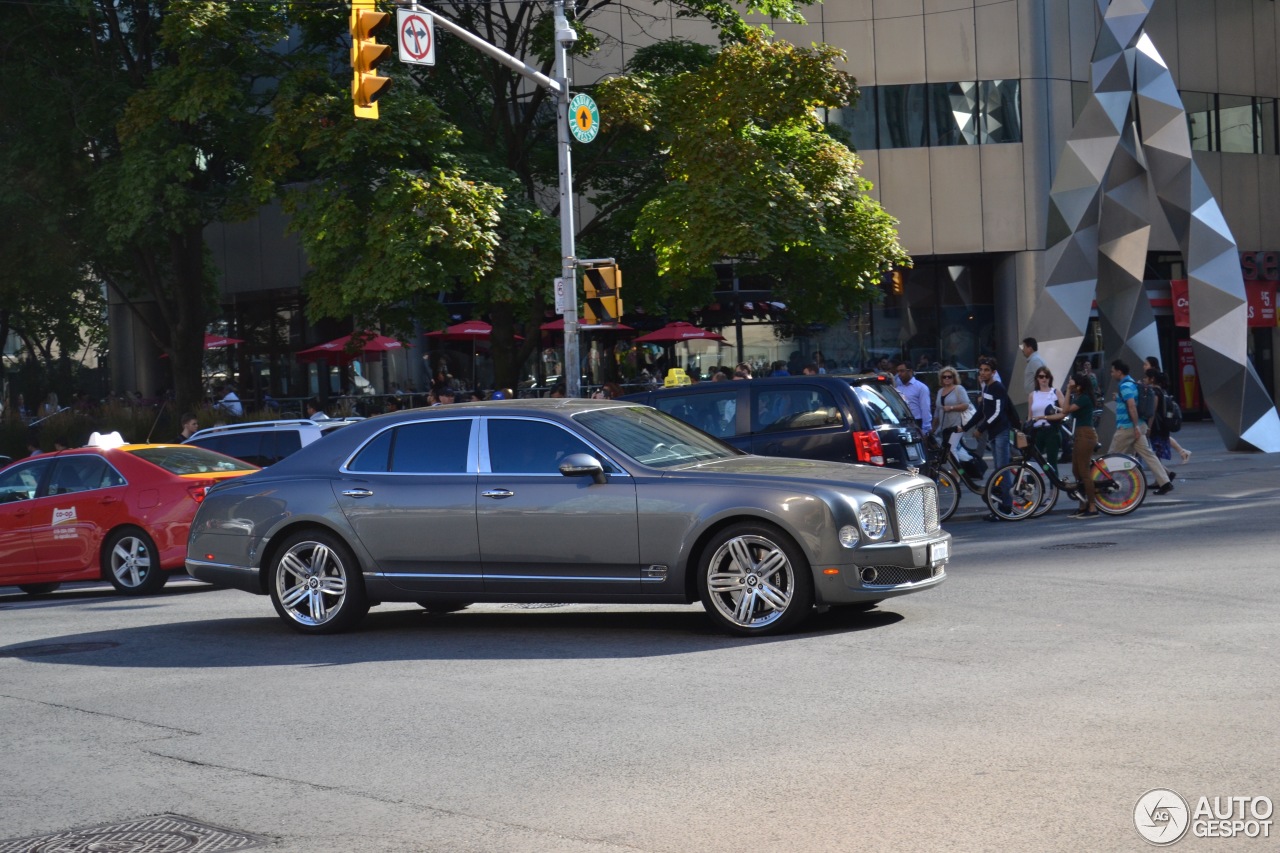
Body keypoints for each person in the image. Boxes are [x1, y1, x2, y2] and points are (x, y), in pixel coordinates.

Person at [960, 358, 1016, 520]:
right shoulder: (986, 388)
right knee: (999, 470)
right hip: (993, 433)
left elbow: (997, 413)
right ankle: (1000, 508)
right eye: (981, 370)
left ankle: (1006, 508)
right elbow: (981, 411)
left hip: (1001, 432)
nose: (983, 373)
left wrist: (981, 428)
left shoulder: (997, 388)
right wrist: (965, 427)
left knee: (1002, 470)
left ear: (993, 372)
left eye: (986, 370)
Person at [1109, 359, 1173, 495]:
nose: (1111, 374)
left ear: (1119, 372)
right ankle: (1165, 482)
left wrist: (1135, 427)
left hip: (1128, 428)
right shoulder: (1132, 383)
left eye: (1112, 371)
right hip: (1138, 426)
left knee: (1111, 457)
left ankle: (1106, 484)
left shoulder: (1125, 386)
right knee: (1149, 455)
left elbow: (1132, 406)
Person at [1044, 372, 1099, 517]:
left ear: (1078, 386)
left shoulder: (1084, 398)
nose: (1069, 383)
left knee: (1084, 471)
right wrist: (1045, 416)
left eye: (1071, 381)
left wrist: (1067, 390)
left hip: (1086, 435)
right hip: (1080, 435)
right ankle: (1082, 504)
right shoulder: (1080, 397)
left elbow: (1066, 409)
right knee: (1076, 470)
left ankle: (1092, 507)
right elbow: (1065, 410)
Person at [1145, 369, 1191, 464]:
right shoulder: (1161, 391)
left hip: (1157, 427)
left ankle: (1164, 475)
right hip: (1162, 427)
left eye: (1146, 377)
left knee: (1156, 456)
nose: (1144, 379)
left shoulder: (1155, 392)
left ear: (1152, 379)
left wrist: (1148, 427)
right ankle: (1163, 475)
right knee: (1156, 456)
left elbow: (1153, 411)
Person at [1028, 366, 1067, 476]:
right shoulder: (1032, 395)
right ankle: (1030, 488)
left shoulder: (1055, 392)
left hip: (1051, 430)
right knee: (1033, 462)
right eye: (1041, 376)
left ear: (1050, 378)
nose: (1044, 379)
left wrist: (1044, 417)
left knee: (1051, 462)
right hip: (1036, 431)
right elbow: (1030, 416)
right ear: (1037, 378)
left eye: (1047, 376)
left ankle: (1053, 489)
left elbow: (1064, 412)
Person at [894, 359, 932, 433]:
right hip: (902, 423)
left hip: (917, 422)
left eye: (902, 371)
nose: (899, 374)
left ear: (910, 371)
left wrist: (926, 429)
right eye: (898, 371)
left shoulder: (921, 387)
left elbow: (925, 408)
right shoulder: (898, 388)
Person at [932, 366, 970, 437]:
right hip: (943, 426)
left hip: (956, 425)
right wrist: (933, 427)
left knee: (953, 446)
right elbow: (937, 410)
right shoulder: (940, 391)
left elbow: (966, 405)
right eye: (944, 377)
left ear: (954, 378)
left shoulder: (959, 389)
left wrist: (951, 407)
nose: (947, 378)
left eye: (949, 377)